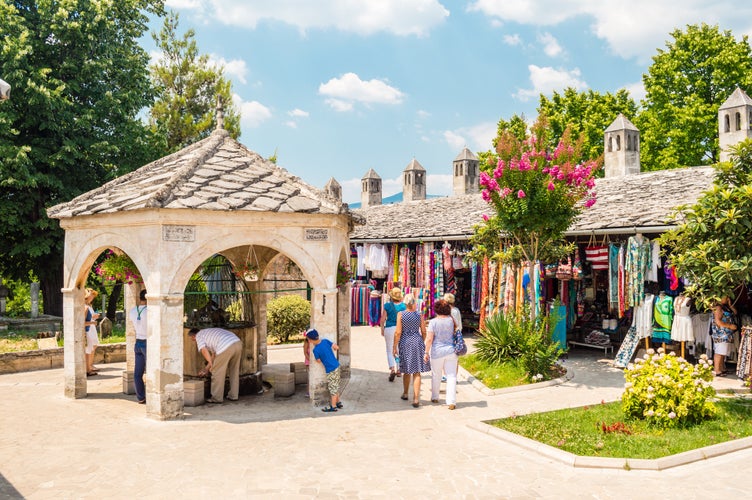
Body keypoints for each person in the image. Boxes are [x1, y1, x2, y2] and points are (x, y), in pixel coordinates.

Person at [188, 327, 242, 404]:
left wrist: (211, 365)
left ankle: (216, 398)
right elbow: (214, 355)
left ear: (193, 336)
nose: (193, 340)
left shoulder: (199, 336)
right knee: (234, 371)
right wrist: (206, 369)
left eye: (192, 339)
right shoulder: (208, 333)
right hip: (237, 343)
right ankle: (233, 396)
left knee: (217, 372)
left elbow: (203, 350)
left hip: (226, 346)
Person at [393, 294, 430, 408]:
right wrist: (422, 341)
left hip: (405, 342)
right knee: (417, 371)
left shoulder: (401, 314)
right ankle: (416, 399)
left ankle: (405, 393)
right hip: (417, 342)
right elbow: (424, 331)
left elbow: (398, 332)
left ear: (405, 303)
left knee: (407, 370)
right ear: (414, 303)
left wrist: (394, 346)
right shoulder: (419, 315)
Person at [424, 299, 458, 410]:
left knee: (436, 374)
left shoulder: (433, 322)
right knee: (452, 376)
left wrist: (426, 352)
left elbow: (429, 339)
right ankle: (451, 401)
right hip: (451, 351)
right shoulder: (452, 320)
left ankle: (435, 396)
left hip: (437, 352)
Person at [306, 328, 342, 413]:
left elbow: (318, 361)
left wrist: (315, 360)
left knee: (332, 387)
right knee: (335, 385)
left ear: (310, 340)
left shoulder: (315, 350)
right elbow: (336, 347)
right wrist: (334, 348)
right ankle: (338, 402)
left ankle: (333, 406)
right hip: (337, 365)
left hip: (330, 369)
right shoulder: (325, 341)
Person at [380, 287, 406, 381]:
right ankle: (399, 369)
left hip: (389, 329)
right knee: (399, 349)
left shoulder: (387, 305)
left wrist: (382, 329)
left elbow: (383, 319)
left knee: (389, 350)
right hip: (400, 329)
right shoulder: (404, 306)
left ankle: (392, 368)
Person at [129, 289, 148, 404]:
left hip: (138, 342)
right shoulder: (150, 311)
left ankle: (141, 397)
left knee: (138, 373)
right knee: (151, 370)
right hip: (148, 342)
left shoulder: (132, 311)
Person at [711, 296, 738, 376]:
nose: (727, 299)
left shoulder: (725, 307)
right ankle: (716, 370)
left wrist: (730, 305)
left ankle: (722, 368)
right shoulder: (718, 308)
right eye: (725, 298)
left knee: (723, 352)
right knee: (719, 351)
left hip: (726, 334)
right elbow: (717, 321)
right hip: (720, 334)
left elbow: (735, 312)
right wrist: (729, 326)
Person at [84, 288, 100, 377]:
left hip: (90, 327)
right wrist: (92, 322)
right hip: (88, 329)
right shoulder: (85, 307)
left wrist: (93, 318)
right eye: (91, 295)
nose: (92, 297)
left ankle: (89, 367)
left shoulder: (89, 306)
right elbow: (82, 321)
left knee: (91, 348)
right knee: (88, 349)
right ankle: (88, 369)